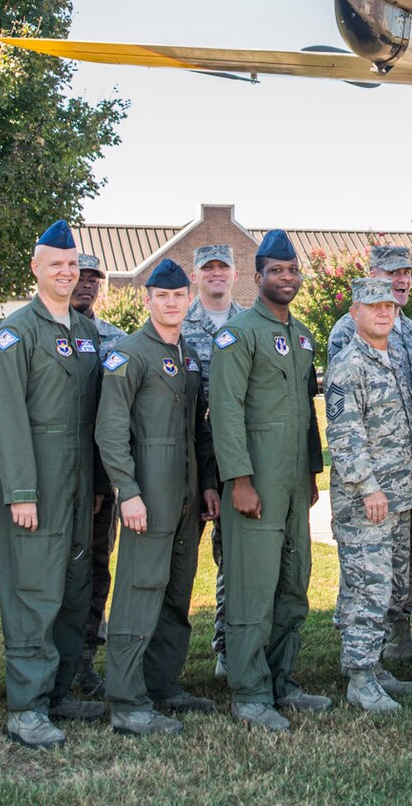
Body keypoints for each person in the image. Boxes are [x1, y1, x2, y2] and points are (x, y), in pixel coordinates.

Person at [0, 220, 111, 751]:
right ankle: (27, 707)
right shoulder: (17, 332)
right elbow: (8, 419)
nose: (66, 273)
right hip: (37, 479)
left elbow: (99, 415)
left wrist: (100, 483)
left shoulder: (86, 333)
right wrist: (20, 492)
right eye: (56, 264)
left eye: (73, 265)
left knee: (73, 588)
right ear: (36, 268)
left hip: (82, 481)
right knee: (35, 593)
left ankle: (60, 692)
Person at [95, 259, 221, 734]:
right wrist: (127, 492)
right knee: (138, 592)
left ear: (188, 300)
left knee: (176, 592)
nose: (171, 303)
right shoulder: (129, 354)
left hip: (186, 497)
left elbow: (199, 429)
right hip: (146, 496)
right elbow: (110, 431)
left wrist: (207, 482)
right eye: (161, 296)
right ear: (147, 300)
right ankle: (127, 701)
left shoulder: (188, 355)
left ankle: (162, 684)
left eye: (178, 296)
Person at [210, 230, 328, 731]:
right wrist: (239, 479)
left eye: (292, 270)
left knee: (292, 587)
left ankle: (281, 680)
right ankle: (249, 692)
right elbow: (226, 411)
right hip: (254, 483)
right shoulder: (237, 333)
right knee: (251, 592)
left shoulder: (301, 335)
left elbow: (306, 413)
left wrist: (310, 473)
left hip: (292, 485)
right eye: (276, 270)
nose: (287, 277)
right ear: (256, 277)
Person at [325, 244, 412, 668]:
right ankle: (362, 658)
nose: (401, 281)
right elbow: (346, 420)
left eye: (407, 272)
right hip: (373, 482)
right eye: (391, 273)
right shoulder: (349, 339)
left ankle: (395, 638)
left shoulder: (411, 334)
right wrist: (366, 482)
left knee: (405, 563)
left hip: (408, 474)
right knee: (367, 570)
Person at [179, 244, 237, 677]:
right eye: (207, 268)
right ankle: (167, 655)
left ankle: (226, 647)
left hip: (237, 459)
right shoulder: (178, 325)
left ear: (235, 274)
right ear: (194, 275)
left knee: (233, 558)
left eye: (223, 267)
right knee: (179, 558)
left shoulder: (249, 323)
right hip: (187, 460)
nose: (216, 274)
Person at [72, 252, 128, 694]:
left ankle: (85, 658)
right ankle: (52, 659)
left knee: (95, 567)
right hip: (51, 475)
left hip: (99, 479)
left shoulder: (113, 339)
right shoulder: (39, 331)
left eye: (95, 278)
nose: (86, 284)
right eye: (79, 276)